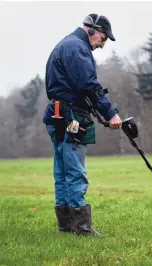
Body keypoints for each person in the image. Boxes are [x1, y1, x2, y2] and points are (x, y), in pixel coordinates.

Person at [42, 13, 122, 236]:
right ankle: (83, 229)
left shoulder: (66, 44)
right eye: (103, 39)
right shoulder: (77, 48)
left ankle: (66, 226)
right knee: (75, 171)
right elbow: (88, 84)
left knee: (62, 171)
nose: (102, 45)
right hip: (71, 117)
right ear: (92, 30)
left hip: (56, 114)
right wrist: (110, 113)